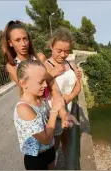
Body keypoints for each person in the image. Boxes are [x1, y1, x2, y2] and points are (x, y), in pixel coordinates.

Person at [1, 20, 79, 132]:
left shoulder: (40, 57)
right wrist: (51, 73)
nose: (23, 44)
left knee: (55, 141)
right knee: (42, 144)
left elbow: (53, 87)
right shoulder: (12, 66)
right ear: (10, 43)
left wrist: (63, 113)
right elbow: (29, 87)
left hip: (48, 107)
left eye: (25, 39)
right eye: (18, 40)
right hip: (32, 111)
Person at [14, 59, 63, 170]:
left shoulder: (39, 100)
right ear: (23, 83)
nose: (45, 85)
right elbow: (45, 139)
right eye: (40, 82)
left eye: (45, 81)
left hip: (49, 151)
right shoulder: (24, 108)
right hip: (36, 158)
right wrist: (54, 111)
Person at [44, 27, 81, 160]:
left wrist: (69, 97)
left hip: (69, 110)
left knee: (67, 143)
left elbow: (78, 87)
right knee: (53, 146)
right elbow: (52, 89)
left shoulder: (71, 64)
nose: (63, 55)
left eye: (66, 51)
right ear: (51, 47)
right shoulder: (46, 65)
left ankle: (67, 166)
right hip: (54, 114)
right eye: (59, 50)